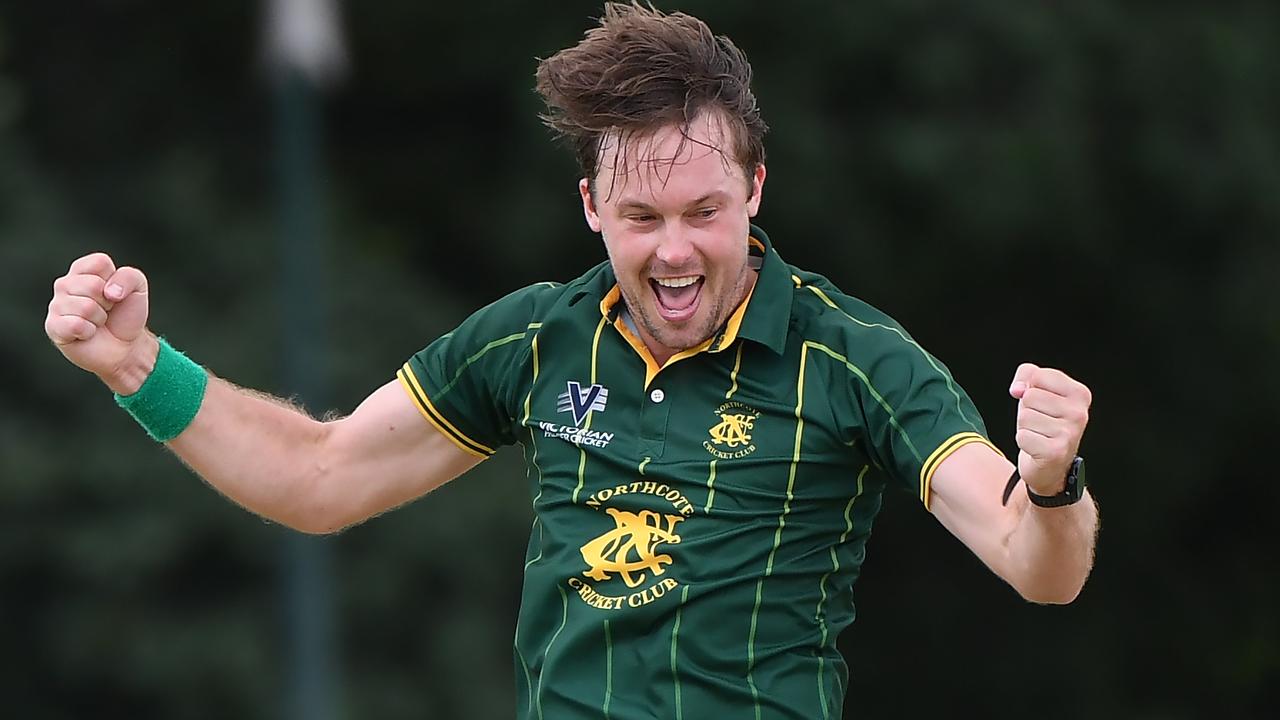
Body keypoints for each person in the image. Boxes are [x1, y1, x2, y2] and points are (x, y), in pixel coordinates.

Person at [44, 3, 1098, 718]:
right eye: (640, 215)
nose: (674, 250)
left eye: (704, 211)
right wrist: (139, 366)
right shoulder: (534, 339)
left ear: (756, 191)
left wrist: (1053, 485)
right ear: (591, 206)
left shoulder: (851, 358)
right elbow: (317, 478)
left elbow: (1033, 563)